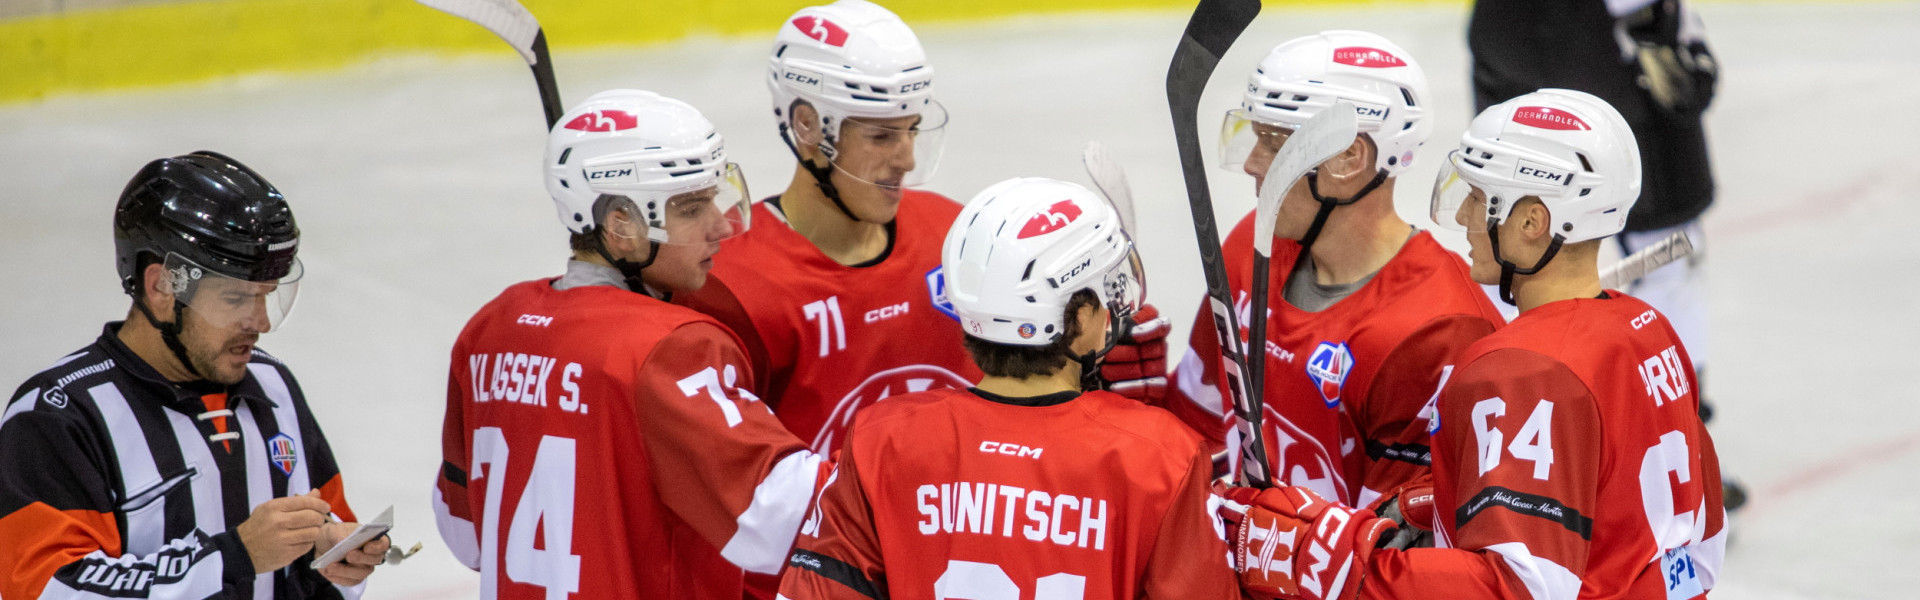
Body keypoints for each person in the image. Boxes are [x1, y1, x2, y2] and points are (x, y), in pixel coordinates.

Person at [1226, 89, 1727, 600]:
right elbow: (1704, 544)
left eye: (1481, 198)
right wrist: (1444, 502)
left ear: (1534, 222)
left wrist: (1336, 563)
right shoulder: (1650, 331)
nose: (1465, 216)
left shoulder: (1521, 372)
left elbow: (1513, 590)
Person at [432, 90, 826, 599]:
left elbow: (464, 534)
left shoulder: (489, 329)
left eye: (714, 198)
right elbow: (785, 516)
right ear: (621, 225)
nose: (721, 227)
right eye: (691, 208)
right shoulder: (670, 349)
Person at [779, 177, 1238, 600]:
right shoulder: (1161, 457)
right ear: (1079, 319)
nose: (1120, 310)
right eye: (1110, 293)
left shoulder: (882, 439)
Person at [0, 151, 388, 599]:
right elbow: (42, 588)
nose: (260, 322)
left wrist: (331, 564)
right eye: (235, 299)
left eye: (265, 296)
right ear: (162, 288)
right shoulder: (59, 417)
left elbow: (326, 530)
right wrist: (234, 557)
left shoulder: (273, 387)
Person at [1150, 31, 1505, 511]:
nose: (1253, 164)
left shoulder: (1438, 331)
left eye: (1273, 144)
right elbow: (1194, 423)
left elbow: (1393, 557)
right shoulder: (1248, 247)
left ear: (1349, 157)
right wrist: (1130, 409)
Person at [1466, 0, 1741, 508]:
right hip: (1604, 50)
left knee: (1512, 234)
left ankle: (1508, 441)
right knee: (1668, 259)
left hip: (1508, 34)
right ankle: (1674, 446)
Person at [676, 0, 982, 458]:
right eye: (880, 136)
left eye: (912, 130)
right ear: (808, 127)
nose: (906, 159)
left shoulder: (954, 235)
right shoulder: (723, 280)